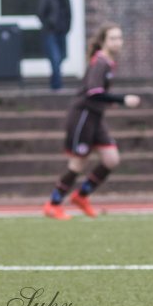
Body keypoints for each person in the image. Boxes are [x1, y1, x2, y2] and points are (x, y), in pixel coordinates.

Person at [43, 23, 141, 220]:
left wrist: (108, 102)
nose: (117, 42)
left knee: (111, 159)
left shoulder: (109, 62)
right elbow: (93, 91)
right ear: (103, 41)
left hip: (96, 117)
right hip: (83, 117)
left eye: (119, 38)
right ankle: (53, 204)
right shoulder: (100, 62)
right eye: (113, 38)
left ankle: (81, 196)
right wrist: (122, 100)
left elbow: (98, 93)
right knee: (78, 163)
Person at [37, 0, 72, 90]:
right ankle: (57, 86)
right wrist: (48, 25)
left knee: (61, 58)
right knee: (55, 58)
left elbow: (69, 15)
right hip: (50, 33)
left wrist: (67, 28)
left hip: (62, 33)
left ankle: (54, 82)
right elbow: (40, 13)